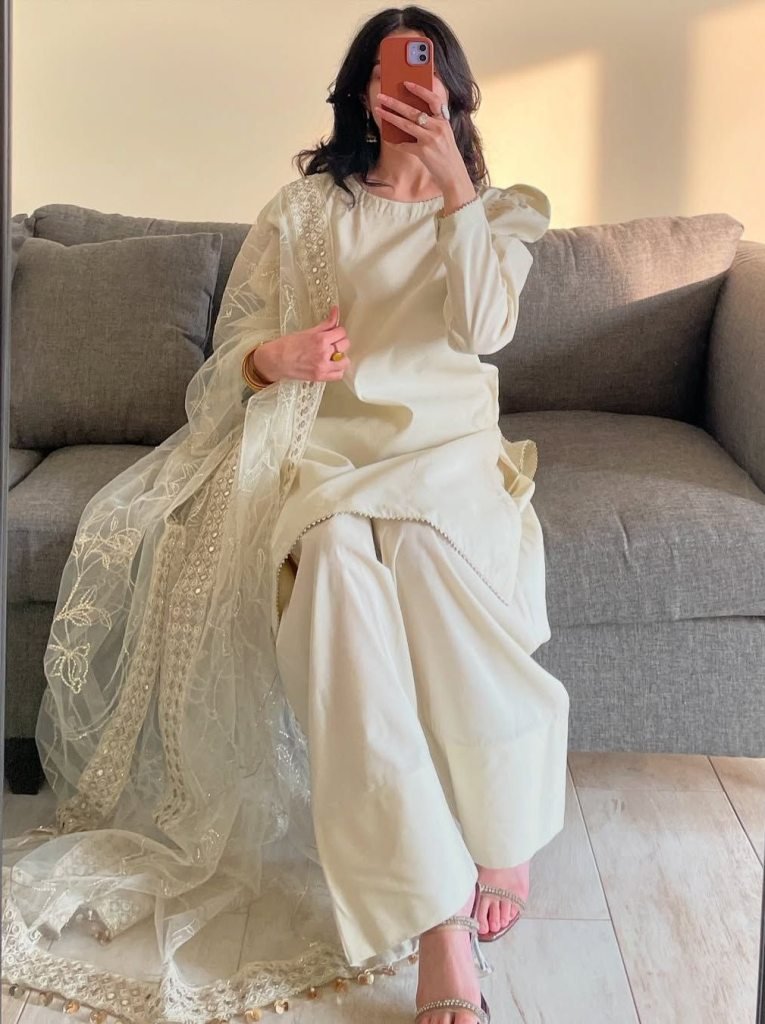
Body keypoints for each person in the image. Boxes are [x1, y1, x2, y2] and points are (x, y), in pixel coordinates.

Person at [2, 8, 569, 1024]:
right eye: (389, 79)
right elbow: (233, 356)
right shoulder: (304, 212)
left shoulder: (501, 212)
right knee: (332, 573)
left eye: (427, 77)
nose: (409, 94)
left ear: (454, 91)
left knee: (426, 564)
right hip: (326, 457)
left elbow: (484, 328)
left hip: (445, 460)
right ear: (359, 94)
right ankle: (434, 916)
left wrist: (454, 184)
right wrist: (279, 357)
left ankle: (501, 828)